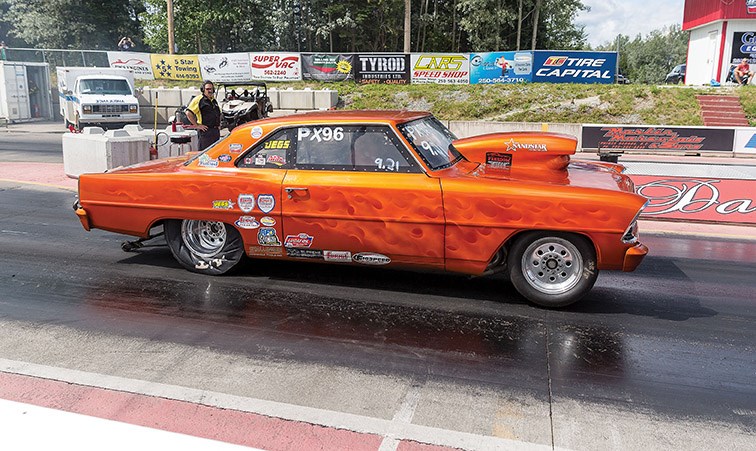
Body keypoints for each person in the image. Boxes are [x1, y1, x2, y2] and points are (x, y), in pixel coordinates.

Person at [186, 80, 221, 150]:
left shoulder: (213, 100)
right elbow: (188, 113)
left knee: (214, 152)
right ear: (203, 90)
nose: (210, 91)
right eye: (207, 89)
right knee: (205, 154)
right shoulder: (198, 100)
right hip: (205, 132)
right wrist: (197, 125)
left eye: (211, 89)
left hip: (215, 131)